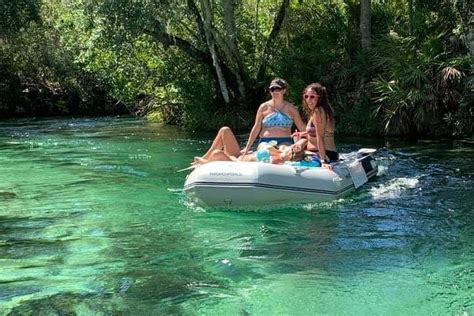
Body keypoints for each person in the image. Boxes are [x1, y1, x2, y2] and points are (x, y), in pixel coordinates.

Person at [241, 78, 306, 156]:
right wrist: (247, 147)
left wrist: (309, 141)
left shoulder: (291, 108)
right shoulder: (263, 107)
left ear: (284, 90)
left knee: (284, 150)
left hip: (285, 141)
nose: (275, 91)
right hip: (265, 141)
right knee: (266, 150)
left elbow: (302, 128)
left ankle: (282, 156)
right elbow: (256, 128)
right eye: (272, 89)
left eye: (278, 89)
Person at [193, 127, 303, 165]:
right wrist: (297, 140)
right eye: (293, 147)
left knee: (217, 154)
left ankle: (205, 162)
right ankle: (204, 158)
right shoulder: (281, 150)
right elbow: (301, 143)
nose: (292, 148)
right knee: (225, 130)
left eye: (293, 150)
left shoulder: (278, 161)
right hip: (239, 155)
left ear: (291, 156)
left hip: (236, 163)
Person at [297, 82, 338, 168]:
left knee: (285, 155)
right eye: (306, 96)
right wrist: (303, 134)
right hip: (324, 153)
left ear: (319, 98)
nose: (308, 99)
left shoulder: (318, 111)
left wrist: (323, 161)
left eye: (312, 97)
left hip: (324, 154)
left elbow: (321, 136)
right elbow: (322, 131)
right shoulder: (321, 110)